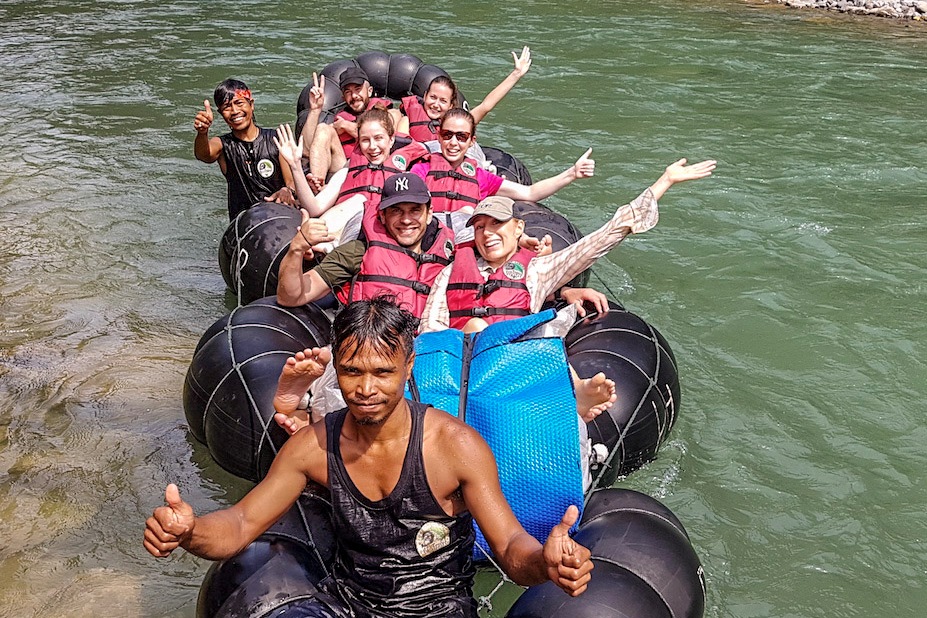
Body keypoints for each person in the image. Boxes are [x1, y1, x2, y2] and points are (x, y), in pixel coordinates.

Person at [145, 299, 594, 618]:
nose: (365, 389)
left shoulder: (454, 446)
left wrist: (546, 563)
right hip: (347, 604)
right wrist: (191, 530)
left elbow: (511, 549)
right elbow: (241, 525)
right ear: (334, 369)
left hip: (438, 608)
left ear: (409, 366)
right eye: (351, 371)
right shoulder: (313, 447)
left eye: (383, 372)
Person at [419, 158, 718, 418]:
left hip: (514, 369)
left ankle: (574, 392)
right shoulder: (450, 273)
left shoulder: (537, 268)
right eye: (480, 227)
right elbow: (431, 328)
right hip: (457, 367)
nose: (487, 234)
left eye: (496, 224)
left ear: (518, 228)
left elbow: (597, 242)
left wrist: (662, 183)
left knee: (543, 332)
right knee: (473, 325)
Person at [276, 172, 455, 318]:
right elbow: (291, 297)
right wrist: (296, 248)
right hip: (367, 349)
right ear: (383, 216)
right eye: (396, 211)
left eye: (415, 210)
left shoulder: (449, 256)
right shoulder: (358, 251)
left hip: (426, 353)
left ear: (429, 213)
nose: (406, 220)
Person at [410, 108, 594, 242]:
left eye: (461, 137)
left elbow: (530, 193)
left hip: (467, 246)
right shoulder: (421, 170)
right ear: (439, 136)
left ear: (472, 141)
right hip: (428, 241)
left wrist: (572, 173)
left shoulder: (481, 177)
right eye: (447, 135)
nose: (453, 143)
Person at [193, 78, 296, 220]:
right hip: (244, 224)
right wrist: (202, 132)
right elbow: (203, 154)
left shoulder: (275, 139)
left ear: (251, 104)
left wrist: (287, 190)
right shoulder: (223, 145)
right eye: (227, 107)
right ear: (221, 113)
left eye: (239, 103)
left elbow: (291, 180)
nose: (235, 111)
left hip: (279, 217)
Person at [397, 47, 532, 143]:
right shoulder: (407, 119)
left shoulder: (457, 125)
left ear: (451, 105)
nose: (436, 104)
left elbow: (486, 106)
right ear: (425, 96)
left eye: (443, 101)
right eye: (433, 97)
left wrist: (516, 74)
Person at [305, 67, 403, 180]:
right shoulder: (339, 120)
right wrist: (315, 110)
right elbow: (307, 149)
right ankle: (317, 184)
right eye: (348, 92)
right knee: (323, 129)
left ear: (369, 91)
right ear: (343, 97)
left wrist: (347, 126)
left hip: (379, 166)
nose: (354, 96)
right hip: (344, 171)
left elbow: (388, 140)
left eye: (358, 89)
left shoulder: (390, 113)